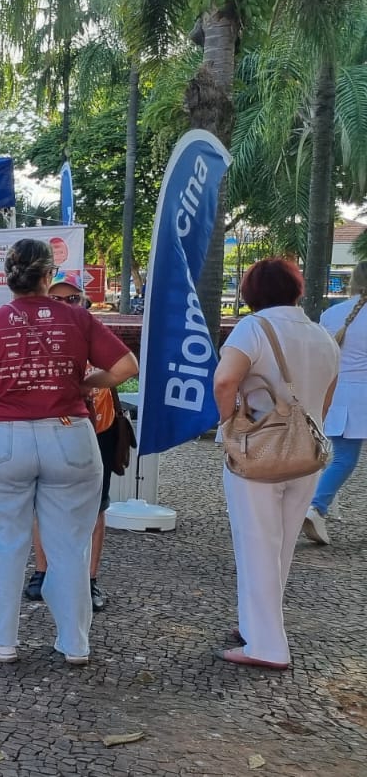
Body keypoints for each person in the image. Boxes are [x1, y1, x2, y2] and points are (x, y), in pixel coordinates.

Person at [0, 239, 137, 667]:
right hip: (69, 435)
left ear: (8, 277)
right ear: (48, 275)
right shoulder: (77, 318)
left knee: (5, 544)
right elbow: (127, 367)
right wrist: (86, 383)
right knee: (70, 545)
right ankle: (75, 643)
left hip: (2, 439)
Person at [211, 258, 339, 669]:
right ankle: (257, 626)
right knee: (279, 545)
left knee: (255, 543)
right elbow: (327, 395)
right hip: (306, 452)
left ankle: (266, 645)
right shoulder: (321, 334)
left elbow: (224, 380)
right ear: (296, 290)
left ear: (251, 293)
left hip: (259, 449)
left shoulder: (254, 328)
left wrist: (229, 423)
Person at [23, 281, 127, 611]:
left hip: (98, 426)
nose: (65, 304)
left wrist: (86, 384)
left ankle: (89, 580)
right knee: (41, 502)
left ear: (84, 302)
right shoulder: (30, 333)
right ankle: (42, 572)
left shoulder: (92, 329)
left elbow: (124, 367)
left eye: (72, 298)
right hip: (47, 426)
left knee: (96, 506)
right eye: (55, 298)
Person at [305, 261, 367, 545]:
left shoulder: (332, 314)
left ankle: (315, 506)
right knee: (343, 460)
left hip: (337, 395)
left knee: (342, 459)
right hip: (359, 393)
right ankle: (316, 506)